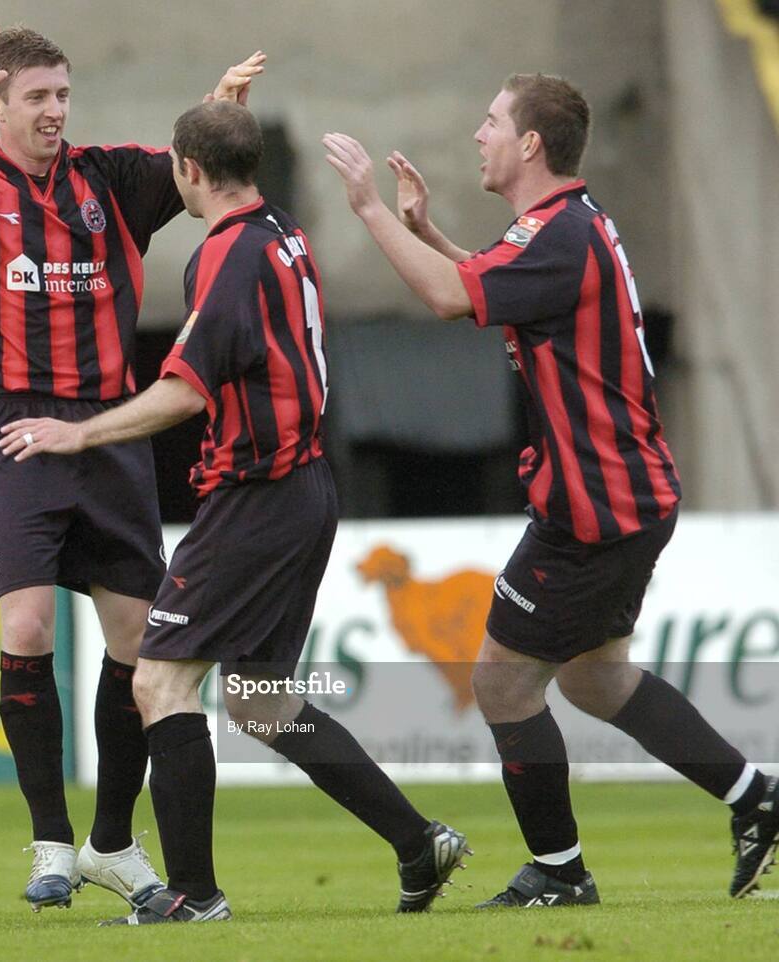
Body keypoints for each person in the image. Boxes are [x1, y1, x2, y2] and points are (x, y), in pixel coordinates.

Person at [0, 99, 471, 924]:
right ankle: (415, 841)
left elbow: (184, 390)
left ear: (185, 169)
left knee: (159, 679)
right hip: (306, 489)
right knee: (258, 698)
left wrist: (79, 435)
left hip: (256, 495)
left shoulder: (225, 255)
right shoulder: (280, 229)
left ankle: (192, 894)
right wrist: (225, 120)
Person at [323, 73, 778, 907]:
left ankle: (561, 873)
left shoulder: (557, 233)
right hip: (624, 496)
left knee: (501, 681)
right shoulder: (565, 227)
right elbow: (492, 292)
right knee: (593, 679)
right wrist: (428, 227)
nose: (479, 134)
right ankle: (757, 798)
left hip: (593, 508)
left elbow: (445, 298)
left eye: (492, 120)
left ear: (531, 143)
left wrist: (368, 210)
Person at [0, 18, 265, 913]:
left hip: (109, 429)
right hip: (11, 427)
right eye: (37, 97)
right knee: (29, 631)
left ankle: (114, 845)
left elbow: (199, 168)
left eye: (63, 95)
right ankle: (50, 841)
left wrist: (219, 107)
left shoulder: (110, 178)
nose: (55, 112)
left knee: (137, 643)